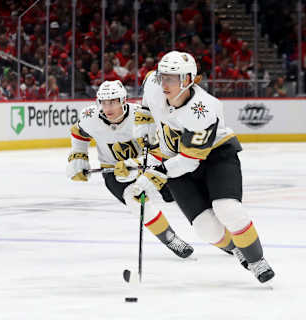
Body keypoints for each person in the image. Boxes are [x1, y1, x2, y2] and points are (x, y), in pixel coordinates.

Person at [136, 50, 274, 283]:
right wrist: (144, 126)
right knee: (205, 228)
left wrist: (158, 170)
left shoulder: (204, 109)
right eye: (163, 76)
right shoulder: (152, 83)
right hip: (174, 162)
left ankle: (257, 260)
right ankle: (236, 248)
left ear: (188, 80)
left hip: (215, 156)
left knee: (227, 208)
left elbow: (190, 161)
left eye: (172, 78)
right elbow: (146, 107)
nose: (164, 83)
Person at [66, 80, 194, 259]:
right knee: (136, 201)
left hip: (148, 166)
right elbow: (79, 133)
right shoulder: (90, 117)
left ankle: (217, 234)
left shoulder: (140, 115)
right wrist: (78, 156)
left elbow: (158, 150)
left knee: (181, 194)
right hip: (113, 172)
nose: (107, 107)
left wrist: (135, 164)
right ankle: (170, 239)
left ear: (123, 101)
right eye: (103, 102)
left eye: (113, 102)